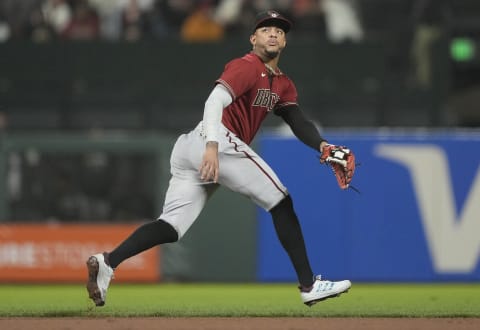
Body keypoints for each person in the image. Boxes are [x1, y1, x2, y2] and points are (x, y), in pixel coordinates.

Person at [86, 9, 352, 307]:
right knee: (281, 200)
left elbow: (297, 120)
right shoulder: (247, 66)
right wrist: (212, 146)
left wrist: (324, 147)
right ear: (253, 39)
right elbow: (214, 101)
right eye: (266, 29)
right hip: (216, 141)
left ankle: (108, 261)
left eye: (279, 30)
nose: (273, 33)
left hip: (192, 146)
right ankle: (309, 285)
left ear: (286, 41)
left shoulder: (282, 83)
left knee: (171, 227)